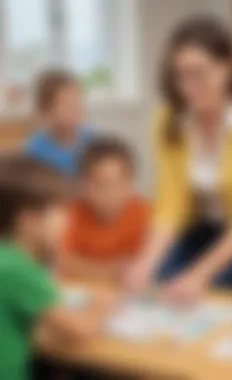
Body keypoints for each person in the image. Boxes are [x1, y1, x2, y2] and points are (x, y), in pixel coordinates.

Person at [126, 16, 232, 303]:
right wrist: (145, 262)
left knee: (206, 295)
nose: (188, 87)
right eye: (180, 75)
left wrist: (199, 276)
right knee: (157, 284)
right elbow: (170, 204)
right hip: (201, 227)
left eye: (199, 73)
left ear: (228, 67)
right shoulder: (169, 120)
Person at [0, 155, 113, 380]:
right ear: (29, 219)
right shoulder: (16, 268)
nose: (67, 220)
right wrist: (101, 305)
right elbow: (80, 331)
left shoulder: (11, 256)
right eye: (60, 211)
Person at [60, 138, 150, 282]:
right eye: (99, 185)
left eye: (118, 184)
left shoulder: (145, 214)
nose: (110, 194)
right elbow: (61, 263)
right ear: (82, 185)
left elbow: (152, 265)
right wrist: (113, 271)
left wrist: (88, 268)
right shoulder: (72, 214)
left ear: (131, 183)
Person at [25, 69, 94, 176]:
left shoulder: (94, 141)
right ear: (46, 112)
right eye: (66, 104)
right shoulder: (36, 149)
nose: (74, 109)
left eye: (76, 102)